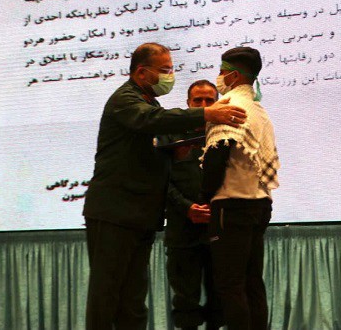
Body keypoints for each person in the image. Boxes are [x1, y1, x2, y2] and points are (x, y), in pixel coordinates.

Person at [83, 42, 247, 330]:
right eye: (165, 70)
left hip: (139, 217)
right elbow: (151, 120)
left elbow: (144, 154)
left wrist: (174, 155)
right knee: (106, 294)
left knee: (133, 298)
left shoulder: (149, 101)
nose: (170, 75)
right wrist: (207, 114)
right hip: (114, 215)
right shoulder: (126, 99)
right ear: (141, 73)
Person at [201, 47, 280, 330]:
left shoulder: (228, 106)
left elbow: (216, 157)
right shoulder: (259, 110)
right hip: (259, 205)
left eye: (222, 72)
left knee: (230, 285)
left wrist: (203, 197)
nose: (219, 77)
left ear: (233, 75)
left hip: (231, 206)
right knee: (252, 282)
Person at [164, 80, 223, 330]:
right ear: (188, 103)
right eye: (197, 100)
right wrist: (186, 207)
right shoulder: (170, 134)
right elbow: (160, 181)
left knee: (220, 301)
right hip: (182, 231)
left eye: (209, 100)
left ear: (218, 103)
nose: (203, 104)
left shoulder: (225, 135)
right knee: (185, 302)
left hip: (218, 230)